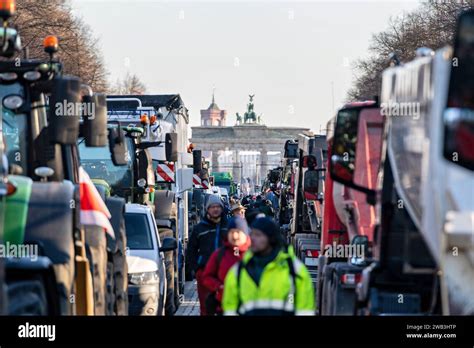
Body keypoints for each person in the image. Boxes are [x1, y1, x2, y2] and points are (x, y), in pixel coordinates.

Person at [222, 217, 315, 316]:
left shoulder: (295, 270)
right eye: (251, 234)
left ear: (271, 238)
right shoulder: (239, 271)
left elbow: (305, 309)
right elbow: (230, 309)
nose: (252, 239)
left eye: (258, 235)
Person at [186, 194, 228, 315]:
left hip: (225, 273)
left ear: (221, 208)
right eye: (212, 207)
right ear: (207, 209)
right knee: (205, 307)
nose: (215, 209)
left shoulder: (228, 226)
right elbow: (191, 250)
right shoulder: (199, 228)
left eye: (218, 207)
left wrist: (235, 261)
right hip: (204, 272)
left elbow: (235, 247)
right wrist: (196, 268)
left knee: (225, 305)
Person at [201, 217, 251, 315]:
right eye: (232, 232)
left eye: (238, 232)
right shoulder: (219, 254)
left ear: (245, 234)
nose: (235, 236)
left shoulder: (255, 255)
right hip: (224, 307)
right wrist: (219, 286)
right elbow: (207, 277)